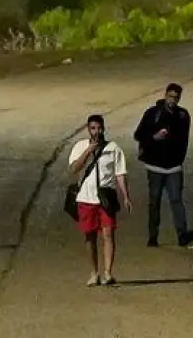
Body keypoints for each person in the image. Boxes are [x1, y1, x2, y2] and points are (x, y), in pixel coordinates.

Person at [67, 114, 133, 287]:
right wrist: (88, 151)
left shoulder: (113, 148)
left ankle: (107, 273)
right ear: (88, 129)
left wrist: (126, 196)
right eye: (93, 128)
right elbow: (73, 169)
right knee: (90, 236)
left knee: (108, 233)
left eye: (99, 128)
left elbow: (120, 173)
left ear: (104, 128)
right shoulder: (80, 146)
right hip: (86, 197)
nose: (96, 131)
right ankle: (94, 272)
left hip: (106, 197)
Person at [133, 82, 193, 248]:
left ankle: (182, 233)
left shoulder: (183, 115)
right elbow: (138, 135)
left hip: (174, 166)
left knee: (176, 200)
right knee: (154, 201)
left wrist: (179, 157)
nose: (173, 100)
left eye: (176, 98)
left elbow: (184, 139)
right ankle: (153, 236)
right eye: (170, 96)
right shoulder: (152, 113)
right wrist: (154, 137)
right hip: (154, 166)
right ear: (165, 95)